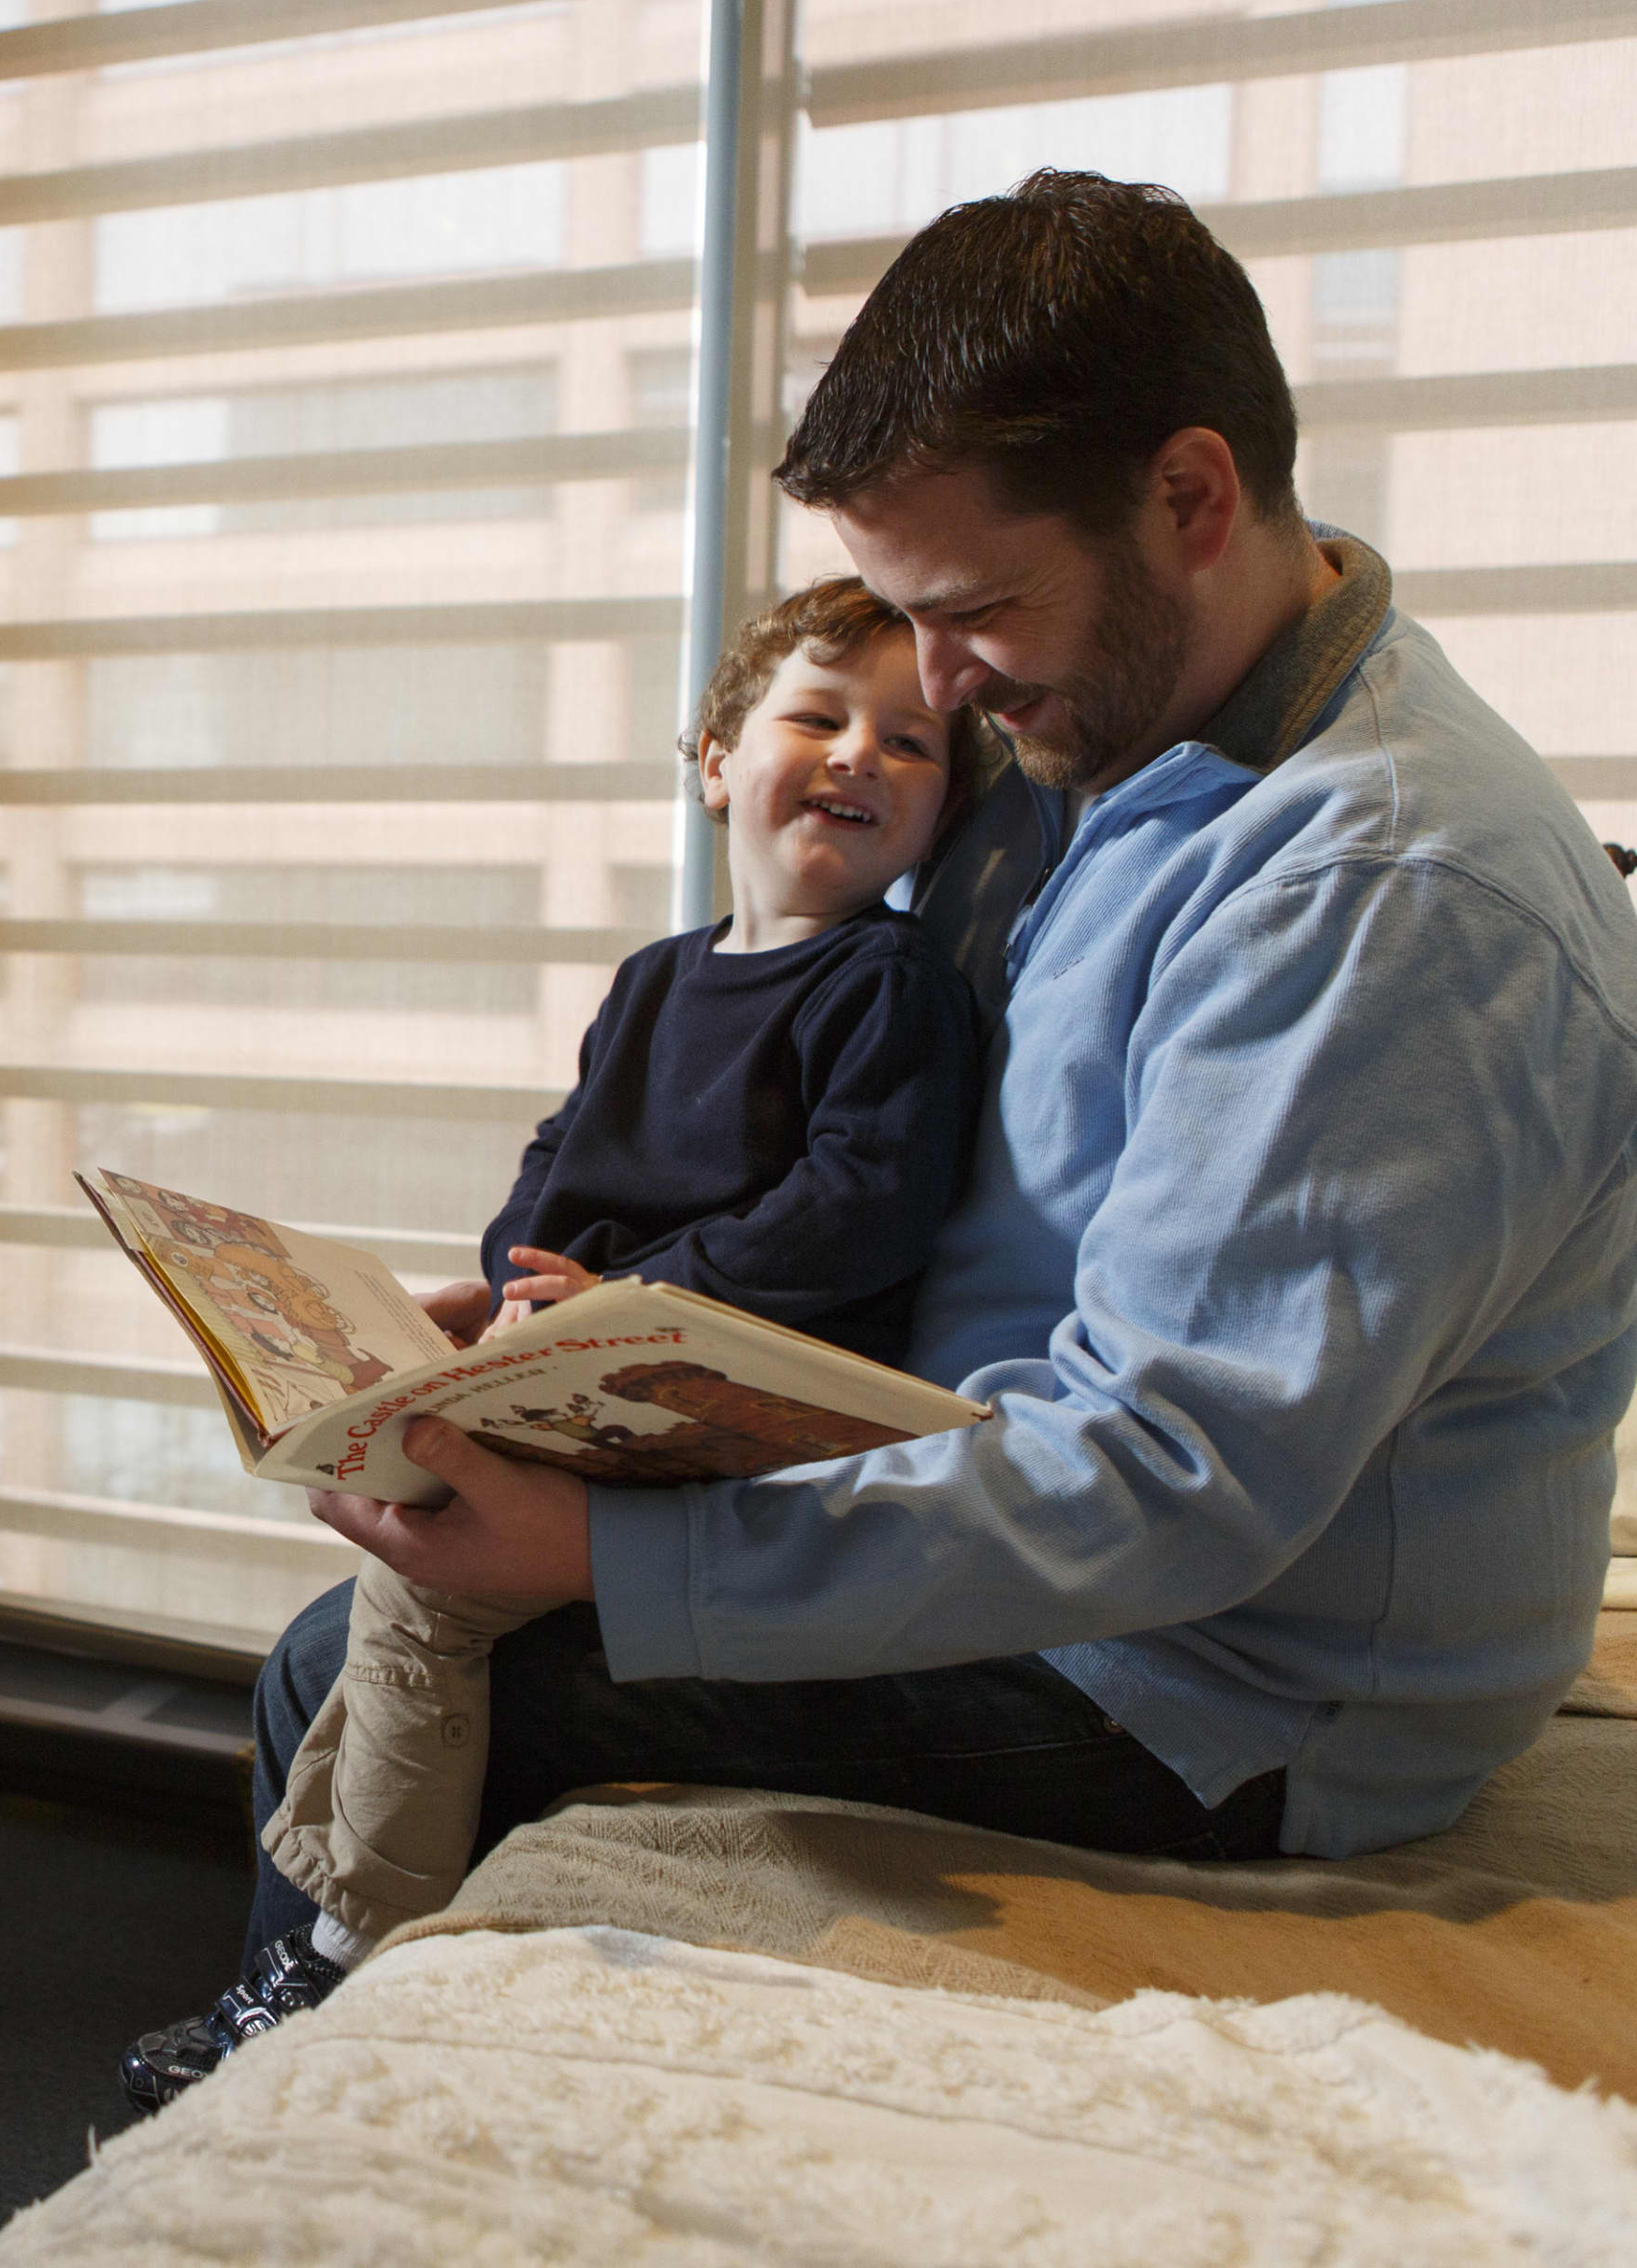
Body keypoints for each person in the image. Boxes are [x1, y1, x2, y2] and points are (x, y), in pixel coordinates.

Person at [133, 170, 1637, 2108]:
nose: (936, 690)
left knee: (385, 1659)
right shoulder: (1138, 745)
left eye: (972, 613)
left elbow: (1173, 1472)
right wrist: (599, 1338)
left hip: (1233, 1684)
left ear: (1192, 500)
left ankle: (296, 2106)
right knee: (392, 1592)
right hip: (1034, 1481)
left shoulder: (1384, 893)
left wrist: (622, 1547)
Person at [116, 583, 992, 2114]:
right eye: (819, 716)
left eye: (910, 742)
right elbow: (554, 1165)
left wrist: (614, 1298)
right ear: (714, 755)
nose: (860, 754)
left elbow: (857, 1212)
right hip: (596, 1365)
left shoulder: (891, 984)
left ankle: (321, 1971)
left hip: (737, 1406)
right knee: (379, 1486)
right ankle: (304, 1970)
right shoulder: (659, 980)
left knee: (419, 1600)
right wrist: (503, 1291)